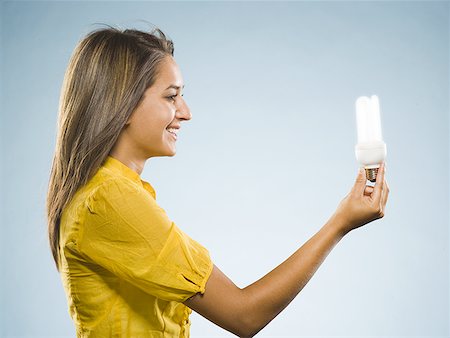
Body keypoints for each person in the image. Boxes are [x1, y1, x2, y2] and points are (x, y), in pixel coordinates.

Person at [46, 26, 390, 338]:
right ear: (122, 103)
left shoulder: (113, 194)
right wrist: (339, 224)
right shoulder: (108, 201)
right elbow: (244, 315)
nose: (186, 111)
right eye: (171, 96)